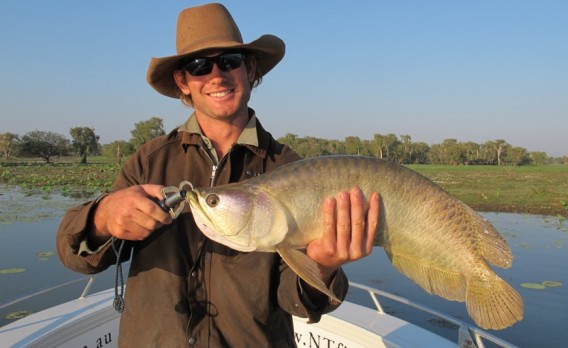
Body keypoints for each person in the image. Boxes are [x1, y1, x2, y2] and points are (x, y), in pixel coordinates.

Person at [56, 3, 380, 347]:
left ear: (250, 68)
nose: (216, 75)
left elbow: (296, 301)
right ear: (183, 81)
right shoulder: (147, 163)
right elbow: (75, 254)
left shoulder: (291, 169)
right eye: (199, 65)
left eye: (229, 61)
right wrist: (102, 218)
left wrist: (323, 265)